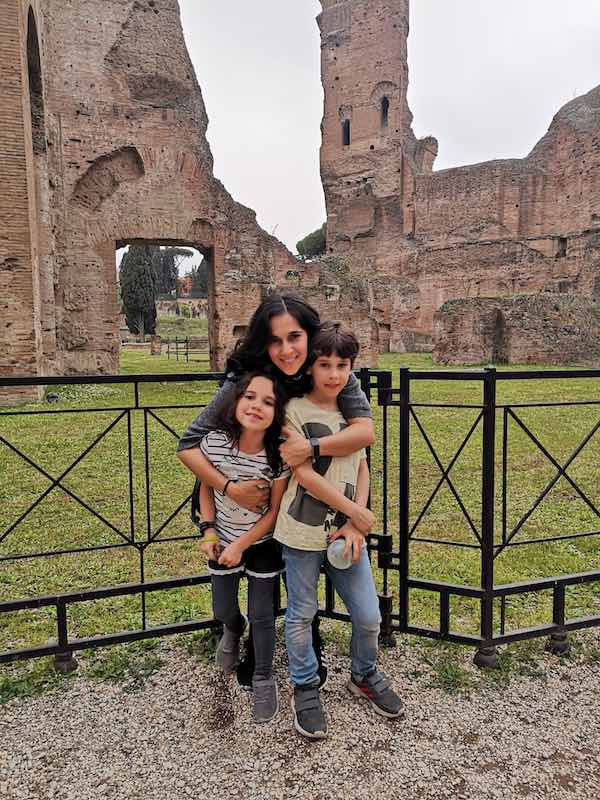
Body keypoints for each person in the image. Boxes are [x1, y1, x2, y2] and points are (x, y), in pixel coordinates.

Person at [177, 292, 375, 689]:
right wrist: (229, 488)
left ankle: (310, 640)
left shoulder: (329, 368)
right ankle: (254, 646)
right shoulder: (245, 378)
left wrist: (311, 448)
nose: (286, 350)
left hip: (308, 489)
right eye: (275, 339)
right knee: (265, 579)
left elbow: (364, 432)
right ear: (262, 343)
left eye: (295, 337)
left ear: (310, 334)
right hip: (255, 490)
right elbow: (189, 444)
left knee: (299, 579)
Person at [274, 322, 403, 739]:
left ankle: (363, 674)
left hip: (347, 534)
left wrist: (355, 518)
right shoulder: (292, 410)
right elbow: (304, 474)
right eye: (325, 364)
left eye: (342, 365)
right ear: (310, 367)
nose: (334, 374)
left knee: (367, 616)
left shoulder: (352, 412)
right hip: (302, 532)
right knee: (301, 613)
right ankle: (306, 685)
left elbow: (362, 463)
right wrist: (355, 510)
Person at [198, 372, 290, 723]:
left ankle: (264, 675)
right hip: (221, 537)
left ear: (277, 412)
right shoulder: (214, 443)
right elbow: (206, 486)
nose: (256, 406)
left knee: (263, 614)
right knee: (223, 606)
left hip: (261, 542)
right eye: (250, 396)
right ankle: (232, 630)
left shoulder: (276, 456)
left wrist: (242, 544)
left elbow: (275, 512)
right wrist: (209, 531)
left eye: (268, 402)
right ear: (234, 400)